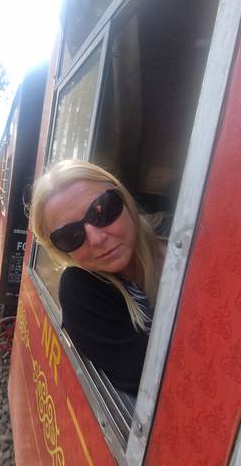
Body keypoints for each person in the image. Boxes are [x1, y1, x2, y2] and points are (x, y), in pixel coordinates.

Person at [30, 159, 167, 395]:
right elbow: (149, 381)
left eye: (101, 211)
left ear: (123, 198)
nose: (96, 239)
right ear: (61, 250)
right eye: (70, 235)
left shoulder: (183, 232)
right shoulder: (82, 292)